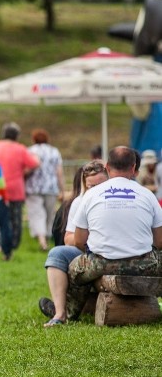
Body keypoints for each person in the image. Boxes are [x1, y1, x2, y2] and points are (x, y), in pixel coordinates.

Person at [62, 146, 162, 323]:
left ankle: (70, 315)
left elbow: (78, 240)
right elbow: (160, 241)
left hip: (100, 263)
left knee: (74, 270)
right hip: (144, 263)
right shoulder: (148, 195)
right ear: (133, 168)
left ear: (107, 167)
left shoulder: (90, 195)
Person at [39, 160, 108, 323]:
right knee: (57, 253)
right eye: (91, 186)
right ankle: (59, 313)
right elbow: (69, 238)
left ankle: (69, 310)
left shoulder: (115, 199)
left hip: (111, 252)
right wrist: (87, 238)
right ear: (85, 185)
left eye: (100, 184)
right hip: (87, 249)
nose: (96, 190)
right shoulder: (81, 201)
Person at [0, 122, 40, 250]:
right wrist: (25, 172)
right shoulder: (20, 148)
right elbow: (34, 164)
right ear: (17, 136)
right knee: (15, 218)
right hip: (16, 187)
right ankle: (13, 244)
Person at [25, 129, 64, 251]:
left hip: (33, 187)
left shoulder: (30, 151)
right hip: (51, 187)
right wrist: (62, 189)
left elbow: (26, 168)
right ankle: (46, 238)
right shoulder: (54, 151)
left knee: (37, 213)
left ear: (34, 139)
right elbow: (59, 172)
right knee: (49, 214)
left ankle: (42, 240)